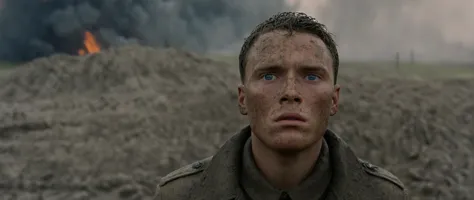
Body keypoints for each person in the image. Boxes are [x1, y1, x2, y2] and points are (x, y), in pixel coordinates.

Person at [154, 12, 408, 200]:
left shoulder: (384, 196)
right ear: (243, 98)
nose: (290, 93)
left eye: (311, 76)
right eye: (269, 75)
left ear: (334, 99)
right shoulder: (179, 195)